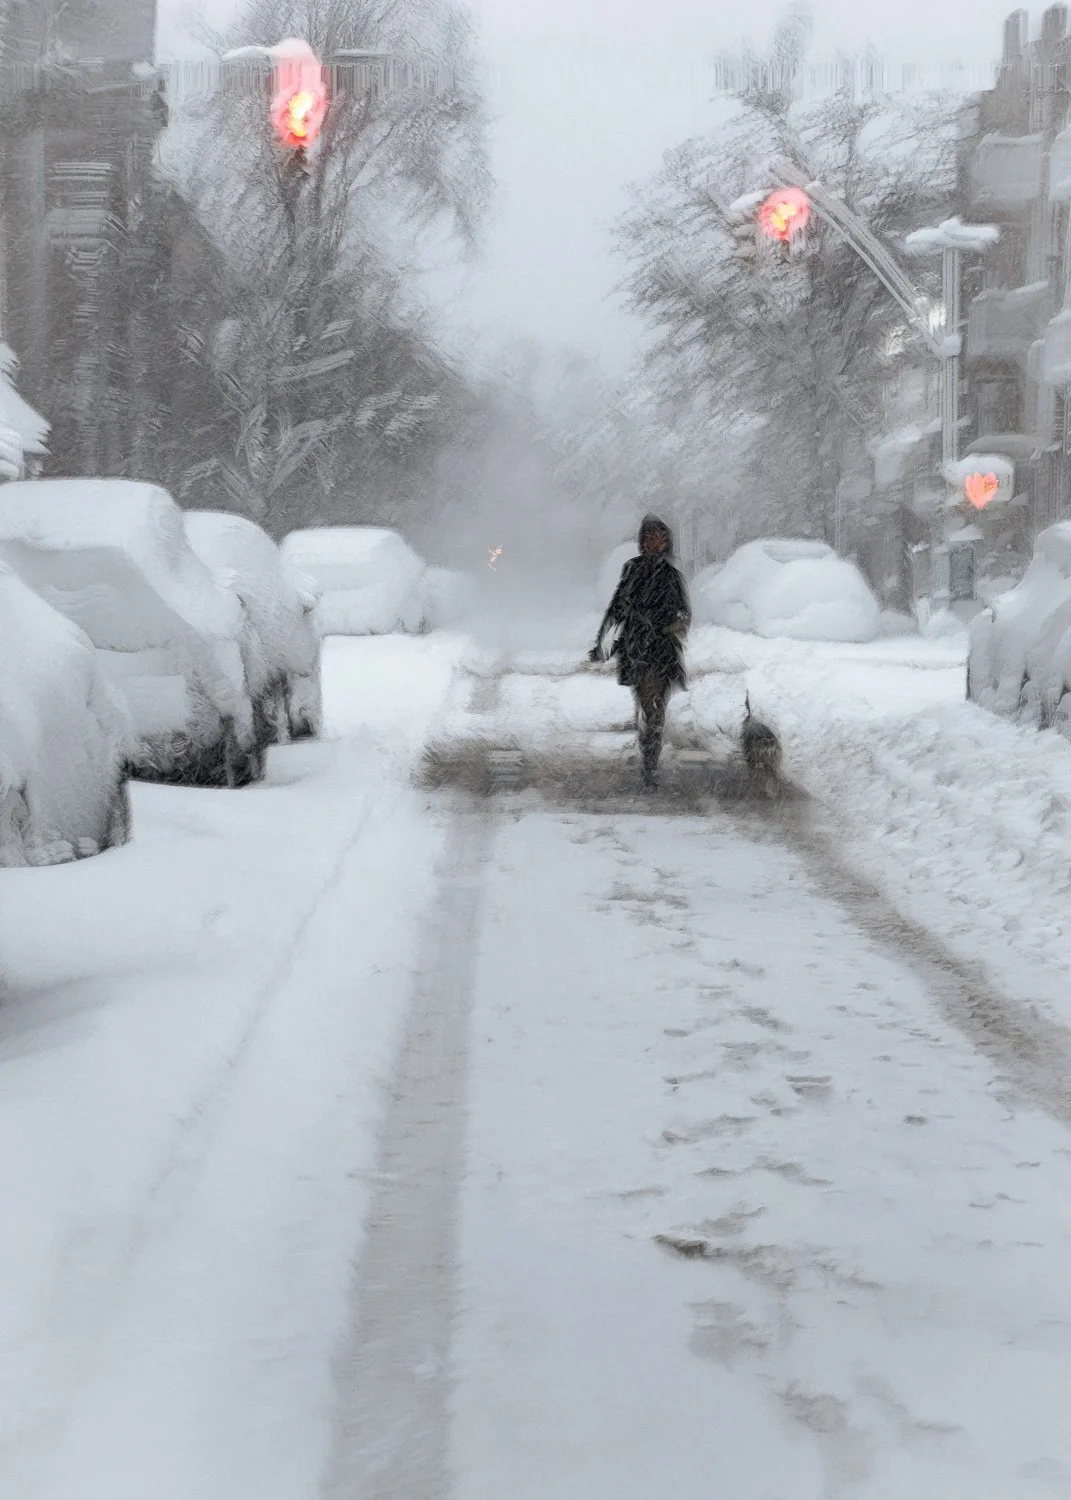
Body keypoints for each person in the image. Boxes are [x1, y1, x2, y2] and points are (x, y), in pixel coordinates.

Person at [589, 514, 690, 790]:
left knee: (656, 707)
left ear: (666, 542)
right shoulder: (632, 570)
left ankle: (649, 754)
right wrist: (602, 642)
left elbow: (683, 613)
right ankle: (650, 765)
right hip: (637, 651)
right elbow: (618, 607)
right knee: (650, 706)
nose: (654, 543)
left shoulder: (672, 577)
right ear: (642, 541)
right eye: (649, 537)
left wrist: (674, 624)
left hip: (662, 653)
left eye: (660, 538)